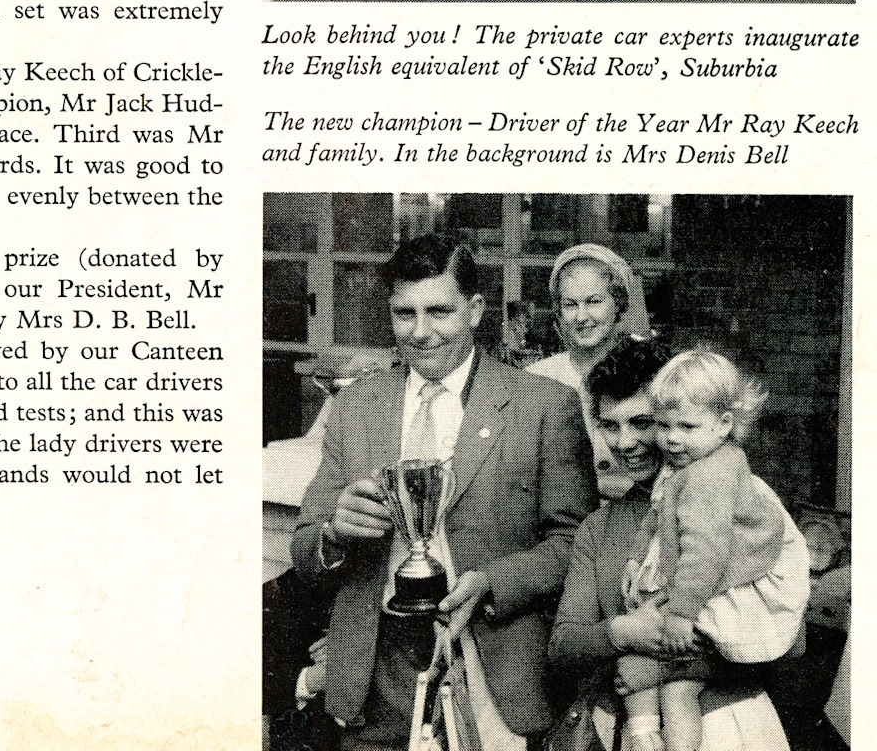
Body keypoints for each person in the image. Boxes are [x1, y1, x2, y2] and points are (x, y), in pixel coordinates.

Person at [291, 232, 597, 748]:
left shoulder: (544, 405)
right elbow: (304, 551)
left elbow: (577, 544)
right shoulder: (355, 406)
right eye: (403, 313)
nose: (420, 332)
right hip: (373, 673)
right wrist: (334, 534)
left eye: (439, 311)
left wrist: (493, 583)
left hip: (490, 667)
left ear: (475, 311)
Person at [550, 339, 810, 751]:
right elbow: (564, 645)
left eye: (642, 422)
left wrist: (666, 662)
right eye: (609, 425)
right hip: (632, 729)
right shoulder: (599, 527)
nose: (625, 442)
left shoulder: (742, 498)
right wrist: (623, 632)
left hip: (726, 726)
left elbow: (792, 640)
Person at [530, 245, 652, 495]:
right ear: (559, 311)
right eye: (570, 304)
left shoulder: (654, 365)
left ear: (618, 303)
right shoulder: (536, 378)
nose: (581, 316)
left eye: (594, 302)